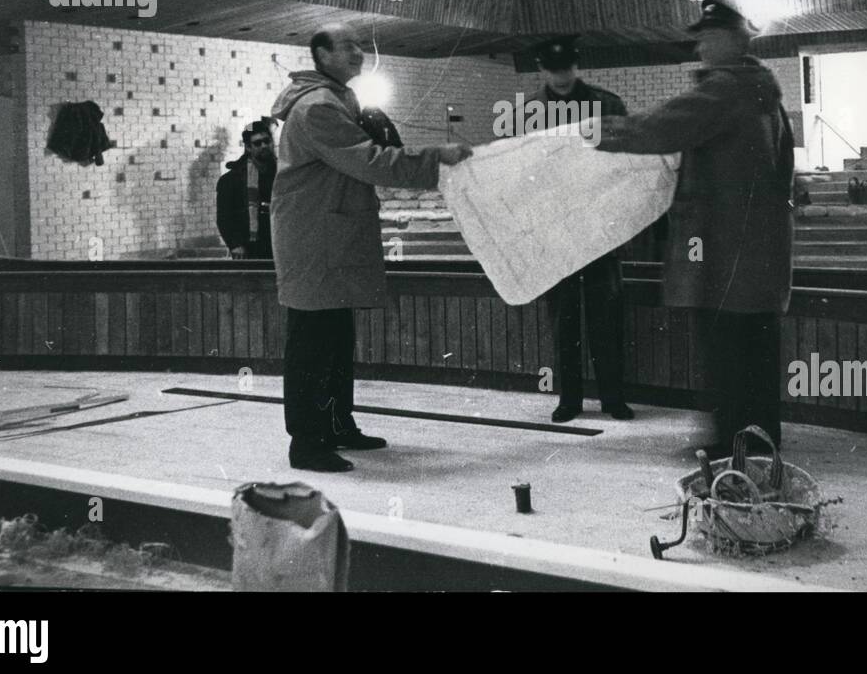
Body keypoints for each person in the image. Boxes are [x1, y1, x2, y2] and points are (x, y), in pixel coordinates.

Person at [595, 0, 795, 456]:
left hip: (723, 260)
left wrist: (587, 133)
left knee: (725, 361)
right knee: (756, 361)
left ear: (734, 38)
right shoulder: (765, 94)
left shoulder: (727, 90)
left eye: (709, 36)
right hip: (758, 263)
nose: (700, 45)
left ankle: (729, 453)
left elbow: (660, 128)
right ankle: (759, 448)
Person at [270, 25, 472, 472]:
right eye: (348, 47)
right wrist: (435, 158)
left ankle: (338, 425)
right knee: (312, 345)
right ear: (321, 55)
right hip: (315, 239)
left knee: (336, 340)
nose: (359, 53)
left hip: (328, 235)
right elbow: (370, 161)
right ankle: (307, 443)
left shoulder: (336, 100)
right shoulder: (318, 107)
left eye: (360, 46)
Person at [521, 35, 633, 422]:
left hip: (599, 226)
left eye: (566, 68)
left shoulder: (606, 104)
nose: (562, 76)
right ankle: (569, 399)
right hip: (556, 230)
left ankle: (613, 397)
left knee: (607, 317)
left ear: (576, 65)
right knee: (563, 319)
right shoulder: (529, 111)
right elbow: (520, 170)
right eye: (554, 70)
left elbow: (625, 162)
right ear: (542, 69)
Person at [216, 120, 277, 260]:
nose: (264, 146)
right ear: (248, 148)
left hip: (279, 241)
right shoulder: (231, 180)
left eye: (267, 141)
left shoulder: (283, 174)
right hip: (250, 246)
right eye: (257, 143)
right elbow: (224, 217)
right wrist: (234, 244)